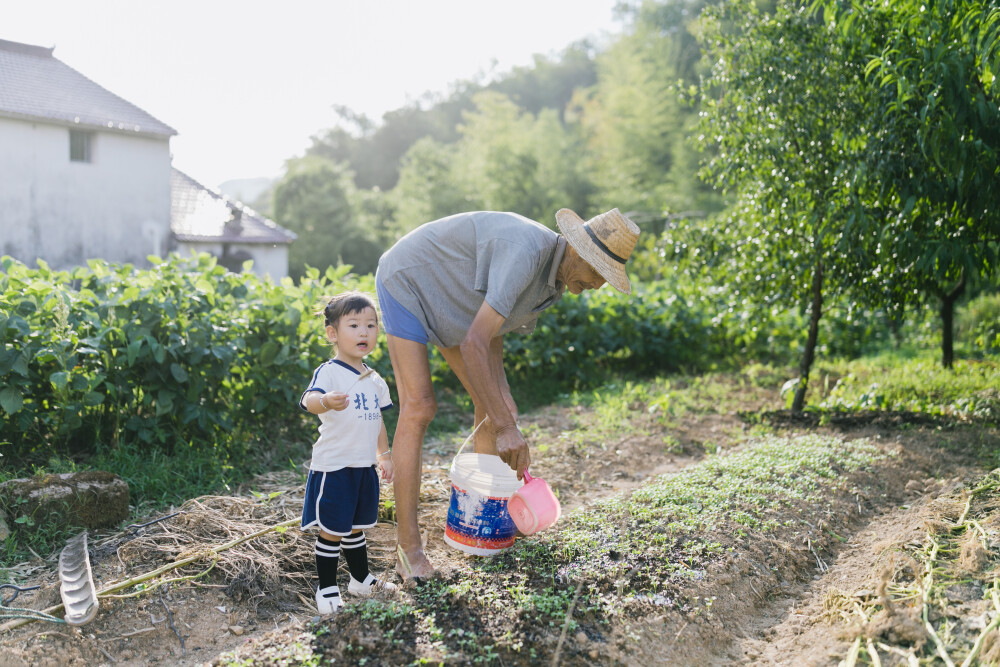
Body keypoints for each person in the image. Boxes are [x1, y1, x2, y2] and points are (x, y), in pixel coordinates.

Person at [375, 208, 639, 579]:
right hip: (409, 278)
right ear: (578, 252)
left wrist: (501, 408)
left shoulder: (556, 281)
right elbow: (474, 344)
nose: (597, 285)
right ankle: (410, 551)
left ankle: (483, 527)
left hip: (457, 300)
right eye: (598, 273)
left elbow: (493, 326)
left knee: (497, 406)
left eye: (605, 280)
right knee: (420, 407)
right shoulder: (526, 254)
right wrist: (503, 429)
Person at [299, 291, 397, 614]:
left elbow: (378, 420)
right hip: (336, 466)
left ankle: (360, 579)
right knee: (332, 530)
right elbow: (309, 400)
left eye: (371, 325)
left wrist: (384, 454)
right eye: (354, 325)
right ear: (333, 333)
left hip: (363, 466)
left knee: (356, 527)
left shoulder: (375, 379)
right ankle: (326, 589)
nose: (364, 332)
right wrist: (326, 401)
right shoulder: (329, 372)